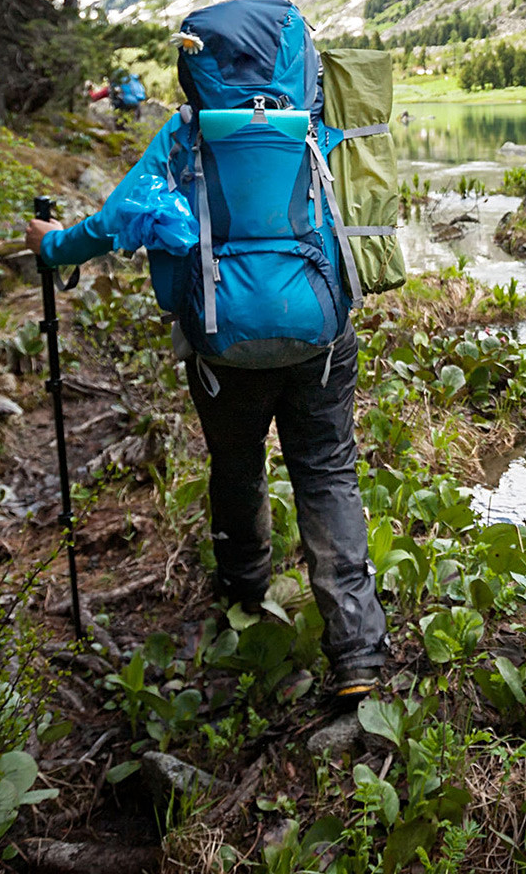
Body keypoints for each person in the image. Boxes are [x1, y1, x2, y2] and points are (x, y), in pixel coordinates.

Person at [25, 148, 388, 701]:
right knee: (327, 473)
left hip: (223, 342)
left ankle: (244, 598)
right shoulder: (314, 119)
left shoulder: (188, 133)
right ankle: (357, 652)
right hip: (320, 333)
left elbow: (116, 219)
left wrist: (51, 245)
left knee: (238, 466)